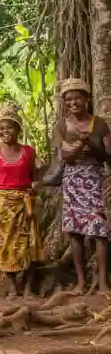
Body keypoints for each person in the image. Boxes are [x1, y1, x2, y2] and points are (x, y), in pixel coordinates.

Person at [51, 78, 111, 294]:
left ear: (86, 98)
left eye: (77, 97)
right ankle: (81, 282)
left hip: (94, 179)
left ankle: (103, 282)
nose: (73, 102)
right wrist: (80, 145)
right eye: (68, 99)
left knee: (100, 230)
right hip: (72, 181)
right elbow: (64, 157)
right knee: (74, 232)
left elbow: (108, 156)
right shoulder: (61, 125)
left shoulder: (100, 124)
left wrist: (91, 145)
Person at [0, 103, 42, 296]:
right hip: (4, 204)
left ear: (18, 129)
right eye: (1, 129)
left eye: (9, 127)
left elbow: (35, 176)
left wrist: (35, 188)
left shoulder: (28, 151)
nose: (5, 131)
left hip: (25, 203)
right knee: (6, 244)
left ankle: (27, 286)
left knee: (30, 244)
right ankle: (12, 286)